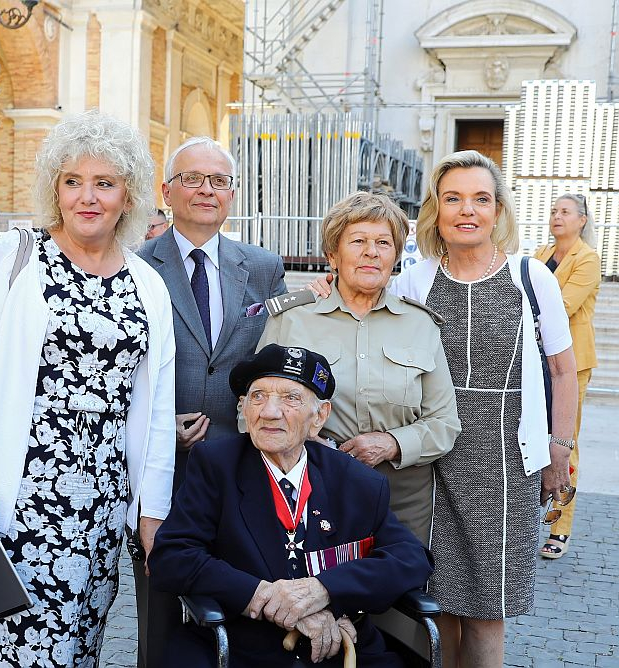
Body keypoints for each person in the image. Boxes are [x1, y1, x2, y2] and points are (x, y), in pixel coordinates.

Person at [309, 150, 577, 667]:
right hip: (429, 461)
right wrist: (326, 282)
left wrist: (558, 447)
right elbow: (362, 296)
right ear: (436, 209)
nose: (466, 210)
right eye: (453, 198)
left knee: (486, 607)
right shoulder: (417, 278)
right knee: (435, 601)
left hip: (504, 460)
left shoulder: (531, 277)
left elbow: (563, 370)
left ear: (498, 210)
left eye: (480, 199)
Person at [0, 109, 176, 667]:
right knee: (0, 649)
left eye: (104, 183)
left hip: (101, 508)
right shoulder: (17, 257)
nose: (86, 197)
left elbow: (157, 405)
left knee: (75, 651)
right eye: (73, 182)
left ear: (129, 194)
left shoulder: (148, 284)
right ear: (55, 188)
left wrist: (151, 509)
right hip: (15, 501)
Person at [149, 344, 434, 668]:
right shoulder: (216, 465)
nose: (269, 411)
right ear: (243, 409)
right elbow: (171, 557)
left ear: (319, 417)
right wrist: (265, 597)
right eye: (258, 396)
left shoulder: (355, 480)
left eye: (290, 398)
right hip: (242, 646)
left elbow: (411, 558)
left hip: (339, 647)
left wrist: (325, 592)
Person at [134, 136, 286, 667]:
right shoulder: (135, 265)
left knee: (238, 604)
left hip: (239, 469)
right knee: (157, 602)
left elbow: (267, 357)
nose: (206, 190)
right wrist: (154, 426)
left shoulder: (263, 268)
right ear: (167, 192)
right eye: (193, 179)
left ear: (233, 196)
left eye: (219, 181)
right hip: (159, 470)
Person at [258, 191, 460, 545]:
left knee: (397, 593)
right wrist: (296, 439)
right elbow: (252, 406)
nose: (372, 252)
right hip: (307, 484)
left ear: (395, 256)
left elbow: (444, 423)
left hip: (401, 497)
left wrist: (390, 443)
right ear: (333, 256)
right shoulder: (293, 320)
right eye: (358, 241)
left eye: (384, 242)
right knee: (314, 594)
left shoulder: (420, 324)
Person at [534, 193, 601, 559]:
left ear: (582, 220)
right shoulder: (542, 253)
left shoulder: (587, 259)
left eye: (565, 212)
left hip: (572, 365)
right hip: (540, 360)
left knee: (565, 441)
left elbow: (561, 306)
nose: (556, 216)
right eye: (553, 210)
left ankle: (561, 526)